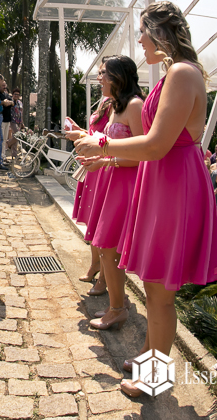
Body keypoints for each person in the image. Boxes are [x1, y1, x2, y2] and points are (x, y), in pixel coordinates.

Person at [74, 1, 217, 397]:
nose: (138, 39)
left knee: (159, 292)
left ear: (160, 32)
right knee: (157, 288)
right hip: (166, 183)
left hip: (174, 186)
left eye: (142, 30)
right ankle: (148, 355)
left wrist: (102, 143)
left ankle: (154, 375)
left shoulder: (182, 74)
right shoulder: (175, 73)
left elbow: (157, 144)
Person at [78, 56, 144, 331]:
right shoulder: (115, 107)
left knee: (109, 247)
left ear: (119, 77)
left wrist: (108, 159)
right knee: (106, 247)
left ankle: (117, 307)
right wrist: (102, 160)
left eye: (104, 73)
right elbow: (114, 147)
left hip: (127, 184)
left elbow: (143, 154)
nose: (99, 78)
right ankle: (118, 303)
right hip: (111, 179)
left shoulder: (135, 106)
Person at [67, 61, 114, 296]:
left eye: (103, 72)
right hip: (93, 165)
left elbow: (111, 138)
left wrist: (86, 136)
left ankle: (105, 278)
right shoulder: (104, 101)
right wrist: (81, 132)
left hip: (105, 169)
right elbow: (99, 135)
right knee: (92, 222)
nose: (99, 77)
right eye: (99, 73)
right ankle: (95, 265)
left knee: (102, 226)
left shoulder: (120, 104)